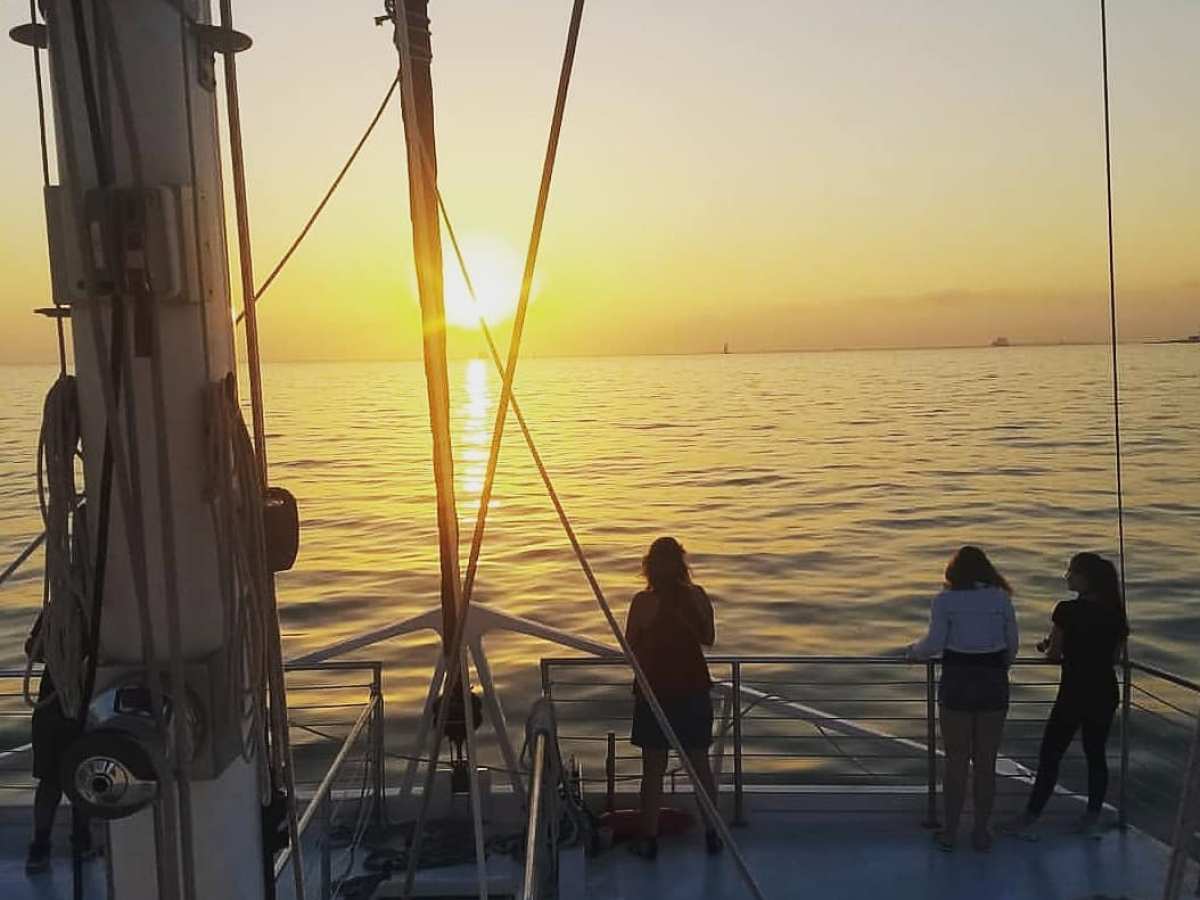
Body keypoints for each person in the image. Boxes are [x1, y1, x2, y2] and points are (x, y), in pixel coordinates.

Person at [1004, 552, 1129, 837]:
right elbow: (1114, 656)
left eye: (1072, 571)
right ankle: (1092, 816)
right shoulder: (1116, 613)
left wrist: (1050, 646)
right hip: (1105, 693)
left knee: (1051, 754)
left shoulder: (1065, 611)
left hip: (1074, 693)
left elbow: (1054, 655)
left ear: (1086, 578)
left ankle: (1030, 816)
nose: (1067, 576)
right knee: (1095, 755)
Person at [907, 545, 1019, 853]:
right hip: (993, 681)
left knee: (956, 762)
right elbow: (1012, 643)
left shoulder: (946, 600)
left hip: (957, 681)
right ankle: (981, 832)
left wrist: (913, 652)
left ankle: (951, 831)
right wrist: (1000, 667)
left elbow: (934, 642)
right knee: (986, 763)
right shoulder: (1001, 598)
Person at [624, 536, 722, 860]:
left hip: (655, 693)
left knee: (653, 768)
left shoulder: (642, 603)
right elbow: (708, 638)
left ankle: (649, 838)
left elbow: (631, 645)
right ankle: (713, 833)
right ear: (682, 564)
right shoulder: (697, 597)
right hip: (693, 690)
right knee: (699, 765)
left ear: (648, 567)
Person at [24, 612, 95, 875]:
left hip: (65, 705)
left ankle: (60, 843)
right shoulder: (63, 608)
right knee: (73, 778)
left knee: (66, 779)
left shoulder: (58, 608)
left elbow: (32, 648)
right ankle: (66, 842)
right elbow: (33, 649)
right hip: (64, 705)